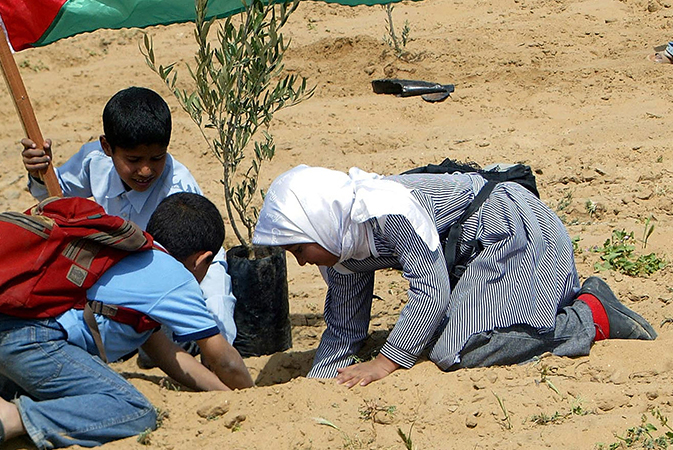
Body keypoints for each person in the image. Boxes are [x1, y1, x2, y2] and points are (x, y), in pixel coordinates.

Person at [0, 193, 254, 449]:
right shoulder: (177, 278)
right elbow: (222, 358)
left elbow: (168, 354)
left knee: (58, 395)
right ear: (202, 260)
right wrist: (251, 397)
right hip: (33, 344)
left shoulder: (133, 258)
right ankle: (8, 416)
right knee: (134, 410)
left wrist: (223, 397)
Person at [253, 165, 657, 386]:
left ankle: (591, 315)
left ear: (320, 224)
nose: (301, 263)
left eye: (299, 250)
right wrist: (319, 385)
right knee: (440, 335)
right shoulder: (340, 243)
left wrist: (386, 363)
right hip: (474, 255)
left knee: (457, 350)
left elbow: (431, 292)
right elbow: (344, 329)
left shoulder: (388, 210)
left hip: (512, 230)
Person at [21, 86, 236, 345]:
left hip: (175, 273)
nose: (145, 170)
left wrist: (216, 337)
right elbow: (56, 195)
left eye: (156, 158)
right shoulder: (93, 160)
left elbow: (200, 267)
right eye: (133, 160)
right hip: (122, 270)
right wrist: (40, 172)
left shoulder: (178, 191)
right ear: (107, 147)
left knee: (193, 337)